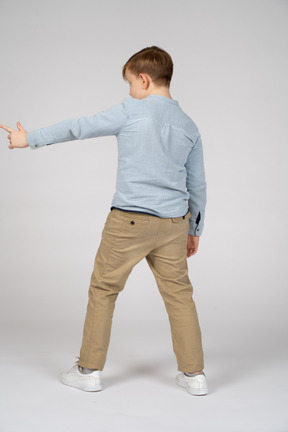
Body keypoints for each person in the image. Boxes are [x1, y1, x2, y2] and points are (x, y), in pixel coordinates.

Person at [0, 46, 208, 396]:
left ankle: (88, 370)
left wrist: (28, 139)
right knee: (180, 298)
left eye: (129, 82)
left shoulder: (131, 110)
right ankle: (195, 375)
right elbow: (197, 182)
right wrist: (194, 229)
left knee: (103, 291)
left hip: (128, 223)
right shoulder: (188, 124)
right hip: (174, 224)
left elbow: (78, 127)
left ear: (143, 79)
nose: (128, 90)